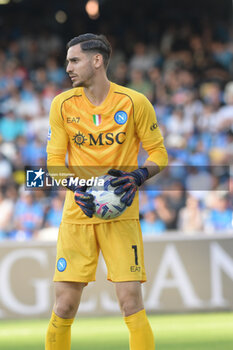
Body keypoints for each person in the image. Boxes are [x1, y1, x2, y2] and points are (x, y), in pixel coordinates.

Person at [45, 33, 168, 350]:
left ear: (96, 60)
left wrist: (138, 175)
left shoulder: (134, 103)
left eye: (74, 60)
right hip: (78, 214)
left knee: (131, 302)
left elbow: (159, 155)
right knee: (64, 306)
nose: (68, 67)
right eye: (68, 61)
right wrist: (77, 187)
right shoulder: (62, 105)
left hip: (121, 214)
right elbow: (55, 162)